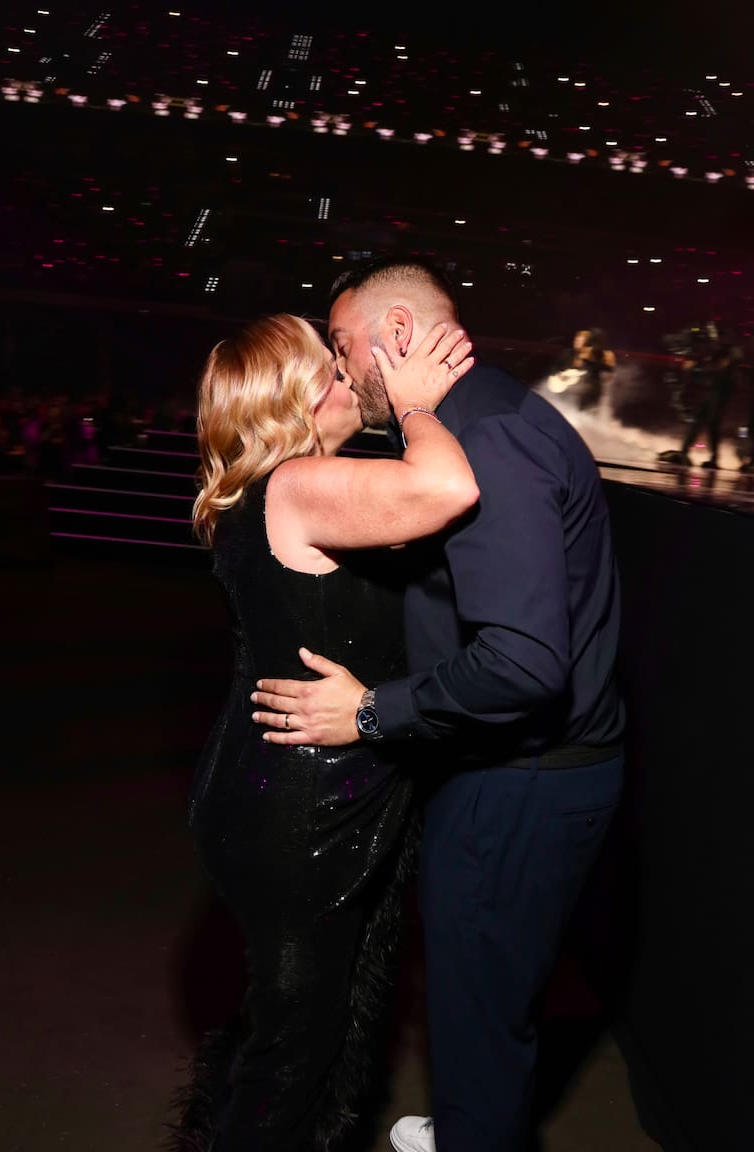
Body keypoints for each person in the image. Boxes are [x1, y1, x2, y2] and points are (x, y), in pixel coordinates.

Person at [250, 258, 626, 1152]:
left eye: (343, 347)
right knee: (477, 994)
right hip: (522, 771)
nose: (341, 370)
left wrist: (370, 712)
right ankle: (470, 1124)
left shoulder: (484, 441)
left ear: (398, 336)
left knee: (481, 1004)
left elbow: (523, 663)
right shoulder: (477, 419)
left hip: (519, 782)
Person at [167, 311, 478, 1152]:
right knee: (294, 1053)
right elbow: (448, 490)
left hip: (270, 786)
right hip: (300, 812)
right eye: (333, 372)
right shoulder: (299, 485)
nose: (351, 379)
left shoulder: (258, 493)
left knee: (295, 1027)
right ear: (296, 401)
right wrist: (416, 405)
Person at [657, 319, 741, 469]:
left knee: (712, 422)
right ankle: (687, 452)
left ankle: (711, 457)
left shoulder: (731, 352)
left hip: (722, 390)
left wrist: (697, 368)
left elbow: (719, 369)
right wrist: (696, 369)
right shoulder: (718, 351)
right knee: (700, 419)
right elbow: (709, 369)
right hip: (715, 388)